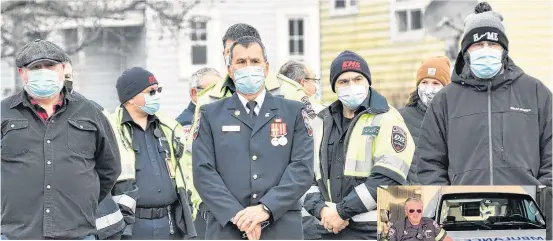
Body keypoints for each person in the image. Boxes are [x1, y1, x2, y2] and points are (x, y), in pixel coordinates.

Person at [183, 23, 323, 227]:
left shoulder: (291, 96)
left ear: (265, 66)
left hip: (283, 218)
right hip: (224, 220)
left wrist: (267, 208)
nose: (248, 67)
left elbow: (307, 159)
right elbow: (197, 164)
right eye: (237, 59)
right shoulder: (208, 102)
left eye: (254, 60)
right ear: (229, 65)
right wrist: (232, 213)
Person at [415, 2, 552, 185]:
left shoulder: (535, 93)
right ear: (465, 52)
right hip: (464, 210)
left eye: (493, 44)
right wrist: (445, 202)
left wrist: (544, 197)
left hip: (526, 209)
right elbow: (429, 162)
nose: (485, 50)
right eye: (478, 44)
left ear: (504, 50)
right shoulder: (445, 101)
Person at [0, 39, 121, 239]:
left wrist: (83, 199)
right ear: (22, 73)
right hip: (17, 234)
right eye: (36, 67)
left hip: (78, 233)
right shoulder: (3, 113)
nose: (43, 71)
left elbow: (110, 168)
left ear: (63, 69)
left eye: (50, 65)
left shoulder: (89, 112)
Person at [303, 50, 415, 240]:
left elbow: (387, 179)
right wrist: (322, 211)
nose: (351, 85)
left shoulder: (387, 119)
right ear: (334, 87)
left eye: (357, 79)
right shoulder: (321, 122)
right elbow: (306, 176)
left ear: (368, 82)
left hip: (371, 230)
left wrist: (341, 212)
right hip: (328, 229)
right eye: (343, 81)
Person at [108, 67, 196, 239]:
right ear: (131, 98)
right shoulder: (111, 129)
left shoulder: (169, 126)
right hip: (131, 224)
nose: (157, 95)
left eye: (158, 90)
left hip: (168, 222)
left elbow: (184, 170)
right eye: (151, 91)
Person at [399, 56, 451, 184]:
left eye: (435, 83)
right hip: (408, 197)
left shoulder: (454, 119)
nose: (428, 89)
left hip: (441, 196)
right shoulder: (400, 118)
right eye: (424, 82)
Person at [385, 198, 453, 241]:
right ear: (406, 212)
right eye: (412, 210)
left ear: (422, 211)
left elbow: (447, 239)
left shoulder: (431, 224)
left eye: (418, 210)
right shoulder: (396, 227)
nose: (415, 213)